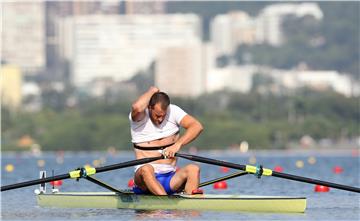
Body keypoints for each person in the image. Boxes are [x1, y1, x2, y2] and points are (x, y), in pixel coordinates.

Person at [129, 86, 203, 195]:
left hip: (169, 178)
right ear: (150, 107)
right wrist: (152, 91)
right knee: (147, 169)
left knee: (193, 169)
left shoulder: (173, 111)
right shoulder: (139, 117)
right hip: (144, 181)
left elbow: (197, 127)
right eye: (157, 115)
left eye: (163, 116)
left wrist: (178, 144)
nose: (160, 119)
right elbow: (137, 107)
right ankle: (164, 204)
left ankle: (192, 206)